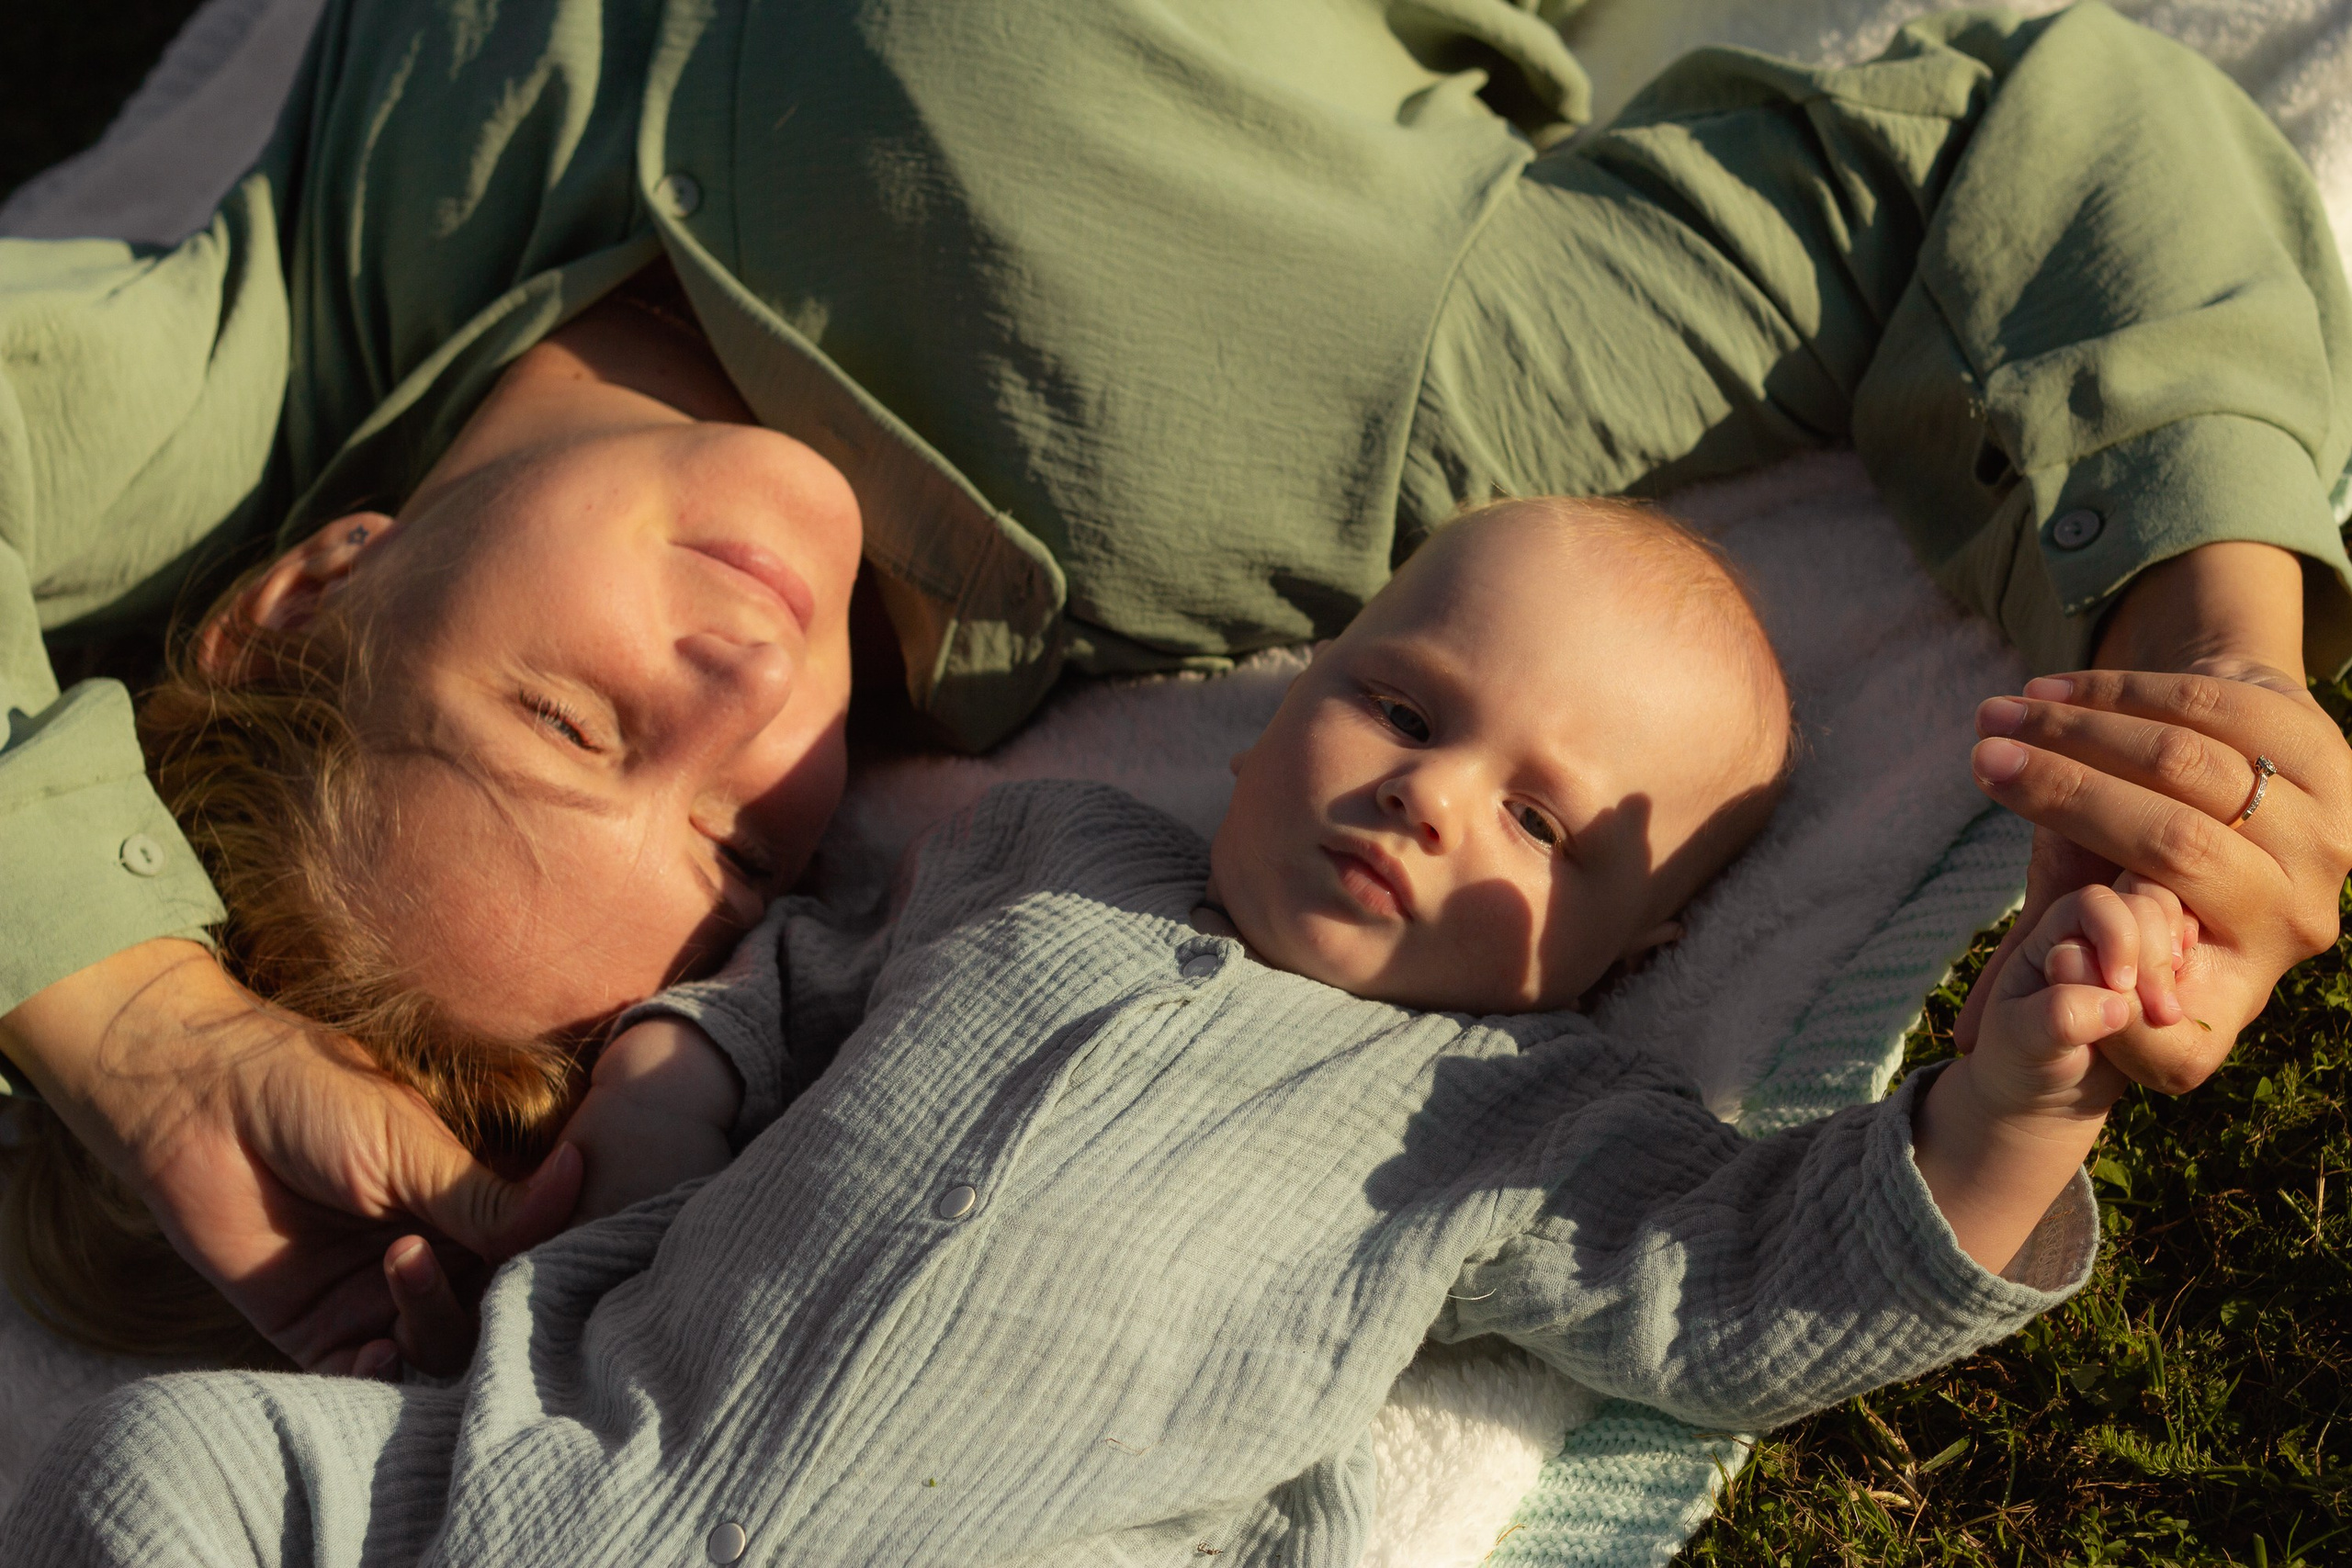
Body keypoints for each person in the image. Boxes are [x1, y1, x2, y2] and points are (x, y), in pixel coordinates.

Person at [1, 0, 2348, 1373]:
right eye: (739, 846)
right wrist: (2212, 669)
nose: (745, 694)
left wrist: (106, 995)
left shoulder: (278, 339)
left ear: (304, 589)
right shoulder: (1295, 445)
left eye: (574, 724)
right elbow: (2046, 137)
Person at [0, 498, 2199, 1565]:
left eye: (1540, 818)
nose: (1436, 796)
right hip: (537, 1462)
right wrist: (681, 1070)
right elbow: (791, 972)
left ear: (1621, 946)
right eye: (1404, 708)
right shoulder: (1038, 845)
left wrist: (2006, 1112)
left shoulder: (1509, 1119)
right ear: (1275, 717)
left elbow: (1742, 1282)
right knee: (150, 1464)